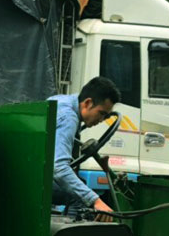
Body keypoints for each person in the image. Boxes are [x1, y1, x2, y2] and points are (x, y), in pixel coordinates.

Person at [48, 77, 120, 220]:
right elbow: (59, 168)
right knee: (81, 197)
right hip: (33, 179)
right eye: (101, 113)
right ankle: (68, 233)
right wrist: (96, 201)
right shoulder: (69, 118)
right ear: (87, 103)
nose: (101, 120)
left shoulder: (62, 101)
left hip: (30, 170)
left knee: (81, 184)